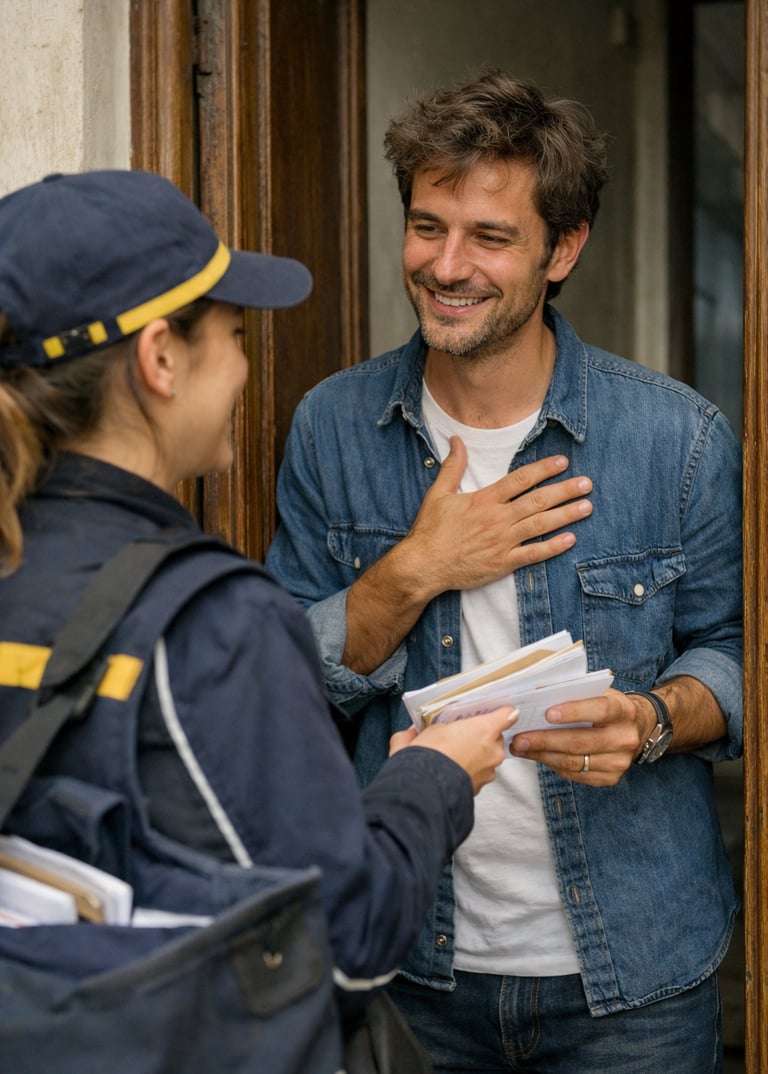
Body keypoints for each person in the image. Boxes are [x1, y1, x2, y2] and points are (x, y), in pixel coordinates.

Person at [265, 70, 743, 1073]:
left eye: (489, 236)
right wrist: (416, 571)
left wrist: (656, 720)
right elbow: (274, 688)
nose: (446, 265)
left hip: (632, 984)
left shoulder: (677, 439)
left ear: (562, 249)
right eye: (428, 226)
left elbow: (737, 652)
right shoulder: (333, 429)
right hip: (407, 966)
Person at [0, 168, 521, 1025]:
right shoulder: (215, 620)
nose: (245, 368)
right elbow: (342, 946)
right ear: (161, 358)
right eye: (234, 332)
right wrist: (430, 777)